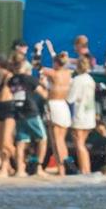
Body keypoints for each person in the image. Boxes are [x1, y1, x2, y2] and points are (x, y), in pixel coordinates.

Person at [9, 52, 48, 177]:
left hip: (18, 113)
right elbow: (44, 94)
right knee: (42, 139)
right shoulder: (29, 79)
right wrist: (43, 83)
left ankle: (20, 169)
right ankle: (39, 167)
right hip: (31, 112)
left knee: (21, 142)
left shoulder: (11, 80)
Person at [39, 40, 72, 175]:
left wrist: (38, 51)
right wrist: (52, 50)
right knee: (61, 139)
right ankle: (66, 164)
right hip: (64, 105)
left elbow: (37, 66)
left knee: (56, 139)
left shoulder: (54, 73)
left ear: (56, 63)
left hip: (54, 104)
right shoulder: (68, 72)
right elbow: (58, 62)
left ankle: (61, 168)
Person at [68, 56, 97, 175]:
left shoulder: (77, 80)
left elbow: (71, 98)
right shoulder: (90, 79)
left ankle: (85, 169)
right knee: (82, 143)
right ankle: (86, 168)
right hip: (89, 114)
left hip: (80, 113)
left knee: (79, 144)